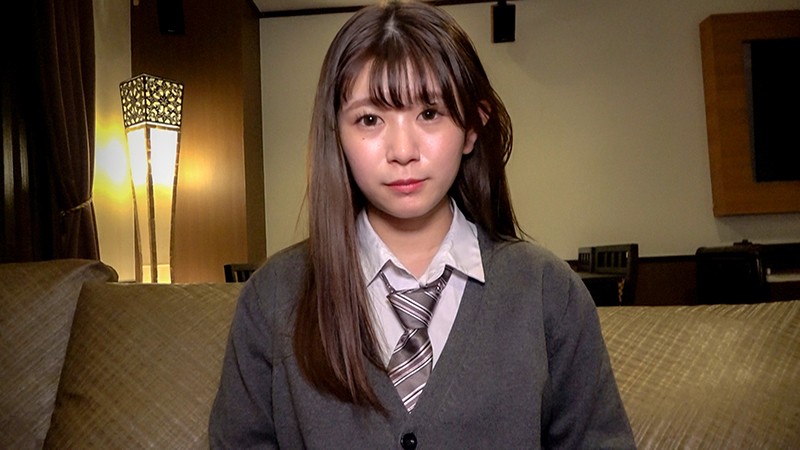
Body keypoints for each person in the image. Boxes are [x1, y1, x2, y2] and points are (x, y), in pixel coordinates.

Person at [209, 1, 635, 448]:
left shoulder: (547, 290)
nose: (403, 151)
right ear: (337, 134)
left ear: (472, 127)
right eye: (370, 119)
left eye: (429, 113)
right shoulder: (274, 296)